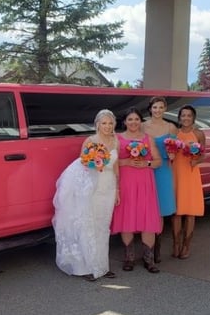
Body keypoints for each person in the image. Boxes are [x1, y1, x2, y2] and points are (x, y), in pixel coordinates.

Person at [52, 109, 120, 281]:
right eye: (104, 123)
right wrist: (93, 165)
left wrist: (117, 189)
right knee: (89, 225)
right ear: (97, 124)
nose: (107, 126)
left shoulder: (115, 140)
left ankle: (102, 266)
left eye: (110, 123)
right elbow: (81, 166)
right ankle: (87, 267)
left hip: (109, 187)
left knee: (103, 226)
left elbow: (116, 167)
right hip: (92, 187)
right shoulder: (90, 141)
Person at [111, 108, 163, 273]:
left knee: (147, 217)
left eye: (136, 119)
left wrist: (146, 163)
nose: (133, 122)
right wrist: (126, 162)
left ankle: (149, 259)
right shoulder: (117, 139)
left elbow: (158, 161)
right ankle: (129, 257)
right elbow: (110, 162)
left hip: (145, 183)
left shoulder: (148, 139)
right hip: (126, 182)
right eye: (130, 119)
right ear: (125, 122)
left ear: (141, 121)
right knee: (127, 217)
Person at [142, 96, 178, 263]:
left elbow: (176, 150)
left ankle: (157, 249)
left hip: (163, 170)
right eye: (155, 107)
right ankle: (147, 247)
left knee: (161, 209)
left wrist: (172, 154)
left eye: (161, 107)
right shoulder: (142, 126)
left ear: (165, 109)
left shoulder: (171, 127)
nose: (157, 110)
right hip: (146, 169)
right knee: (147, 207)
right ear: (150, 109)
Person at [171, 105, 206, 260]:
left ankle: (186, 245)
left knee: (190, 212)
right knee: (176, 212)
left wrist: (196, 160)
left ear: (193, 117)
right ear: (179, 117)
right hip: (176, 173)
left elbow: (203, 154)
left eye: (189, 115)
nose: (186, 118)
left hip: (191, 174)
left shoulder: (198, 134)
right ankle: (176, 243)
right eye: (183, 115)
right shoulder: (174, 134)